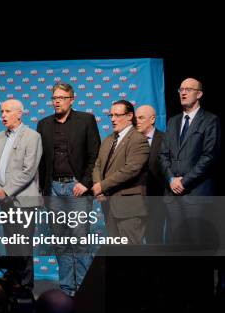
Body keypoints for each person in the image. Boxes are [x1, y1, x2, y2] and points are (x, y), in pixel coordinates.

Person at [37, 82, 100, 296]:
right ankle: (66, 288)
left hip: (77, 188)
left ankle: (85, 290)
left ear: (72, 99)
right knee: (61, 243)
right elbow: (41, 161)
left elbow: (95, 156)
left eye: (62, 98)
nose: (57, 101)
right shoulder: (43, 124)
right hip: (53, 189)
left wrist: (85, 182)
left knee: (80, 240)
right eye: (54, 97)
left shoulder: (86, 120)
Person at [159, 78, 221, 245]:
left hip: (196, 194)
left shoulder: (210, 120)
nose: (183, 92)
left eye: (188, 89)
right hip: (172, 194)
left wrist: (184, 182)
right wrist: (171, 179)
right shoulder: (172, 121)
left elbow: (209, 157)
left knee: (197, 246)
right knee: (176, 245)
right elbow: (163, 155)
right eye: (181, 89)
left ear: (199, 94)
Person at [0, 99, 42, 289]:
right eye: (1, 111)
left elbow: (28, 170)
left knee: (23, 247)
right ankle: (13, 283)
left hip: (23, 201)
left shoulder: (32, 136)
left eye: (7, 111)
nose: (3, 115)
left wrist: (6, 190)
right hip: (4, 200)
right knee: (11, 246)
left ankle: (26, 286)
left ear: (19, 114)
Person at [92, 100, 149, 244]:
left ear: (130, 116)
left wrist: (103, 186)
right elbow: (97, 165)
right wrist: (98, 187)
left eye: (117, 115)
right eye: (110, 115)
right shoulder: (108, 140)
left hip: (129, 208)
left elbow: (131, 169)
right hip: (109, 206)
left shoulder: (138, 139)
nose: (112, 119)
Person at [136, 104, 167, 244]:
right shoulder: (129, 140)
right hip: (133, 201)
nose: (137, 121)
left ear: (152, 119)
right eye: (136, 118)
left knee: (155, 241)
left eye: (141, 118)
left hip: (157, 200)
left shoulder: (166, 139)